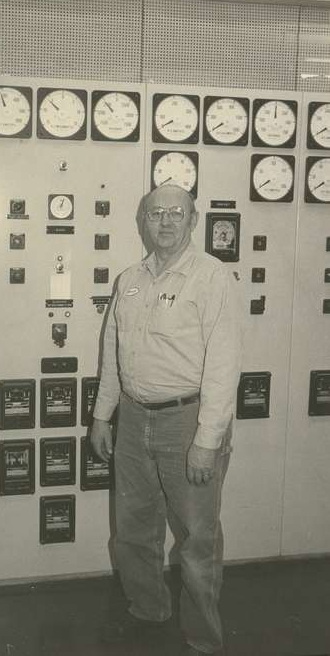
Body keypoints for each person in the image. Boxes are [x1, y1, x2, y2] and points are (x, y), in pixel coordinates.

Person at [91, 184, 242, 656]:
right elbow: (113, 355)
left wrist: (207, 440)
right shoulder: (129, 280)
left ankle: (201, 637)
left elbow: (224, 363)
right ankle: (148, 609)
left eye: (178, 212)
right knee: (133, 527)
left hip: (188, 419)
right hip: (134, 420)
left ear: (194, 221)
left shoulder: (212, 277)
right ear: (143, 221)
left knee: (197, 536)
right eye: (157, 213)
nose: (166, 220)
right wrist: (102, 416)